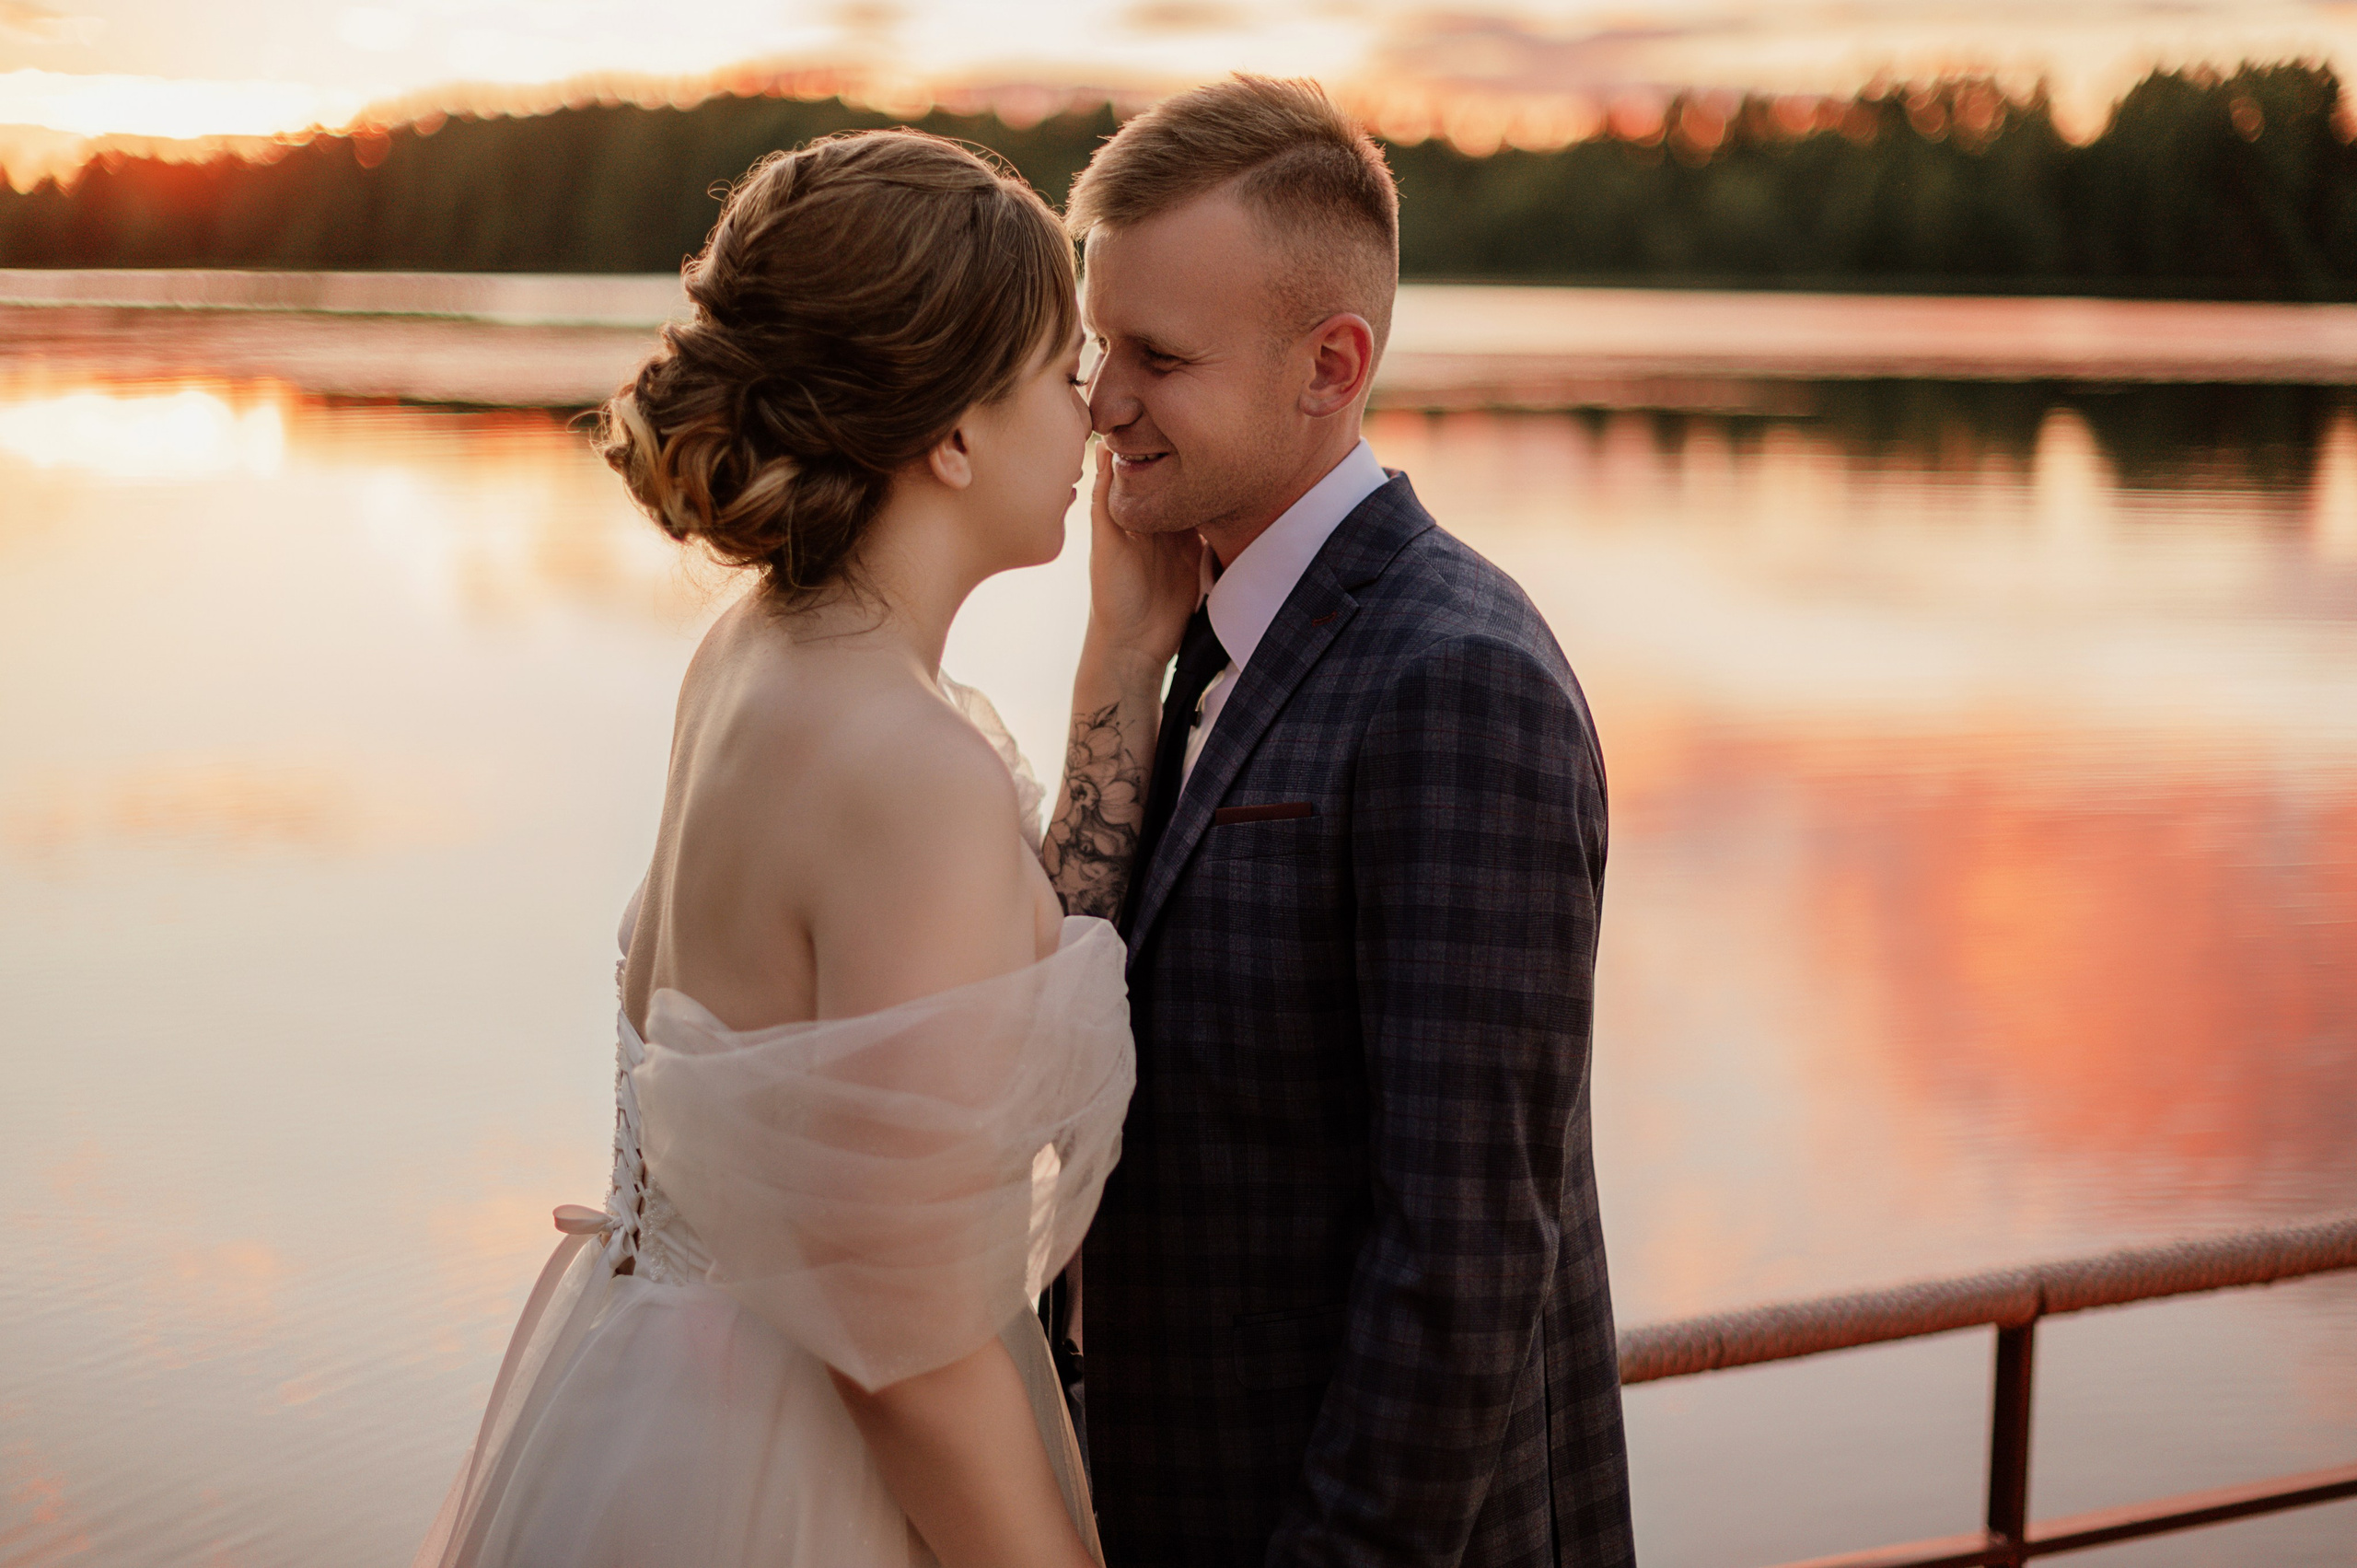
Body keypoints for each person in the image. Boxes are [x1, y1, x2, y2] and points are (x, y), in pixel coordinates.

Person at [410, 130, 1191, 1568]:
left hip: (651, 1402)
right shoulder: (912, 774)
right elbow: (908, 1357)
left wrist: (1123, 653)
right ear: (951, 435)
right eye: (1057, 376)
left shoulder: (751, 657)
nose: (1089, 416)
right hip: (793, 1482)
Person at [1042, 76, 1638, 1567]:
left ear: (1331, 364)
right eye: (1098, 346)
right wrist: (1120, 650)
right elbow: (1075, 1014)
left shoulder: (1458, 686)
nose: (1104, 401)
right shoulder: (1196, 620)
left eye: (1158, 359)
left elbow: (1463, 1258)